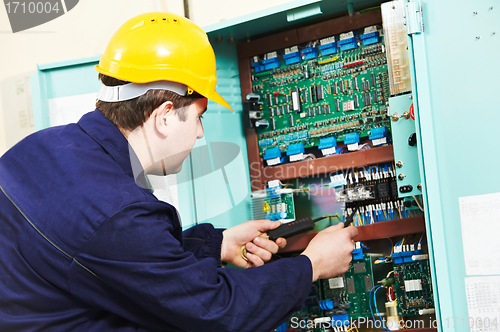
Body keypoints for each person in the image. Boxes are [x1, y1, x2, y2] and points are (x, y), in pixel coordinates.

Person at [0, 12, 358, 332]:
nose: (201, 133)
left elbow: (114, 259)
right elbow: (219, 312)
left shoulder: (39, 147)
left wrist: (215, 244)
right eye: (199, 117)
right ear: (165, 115)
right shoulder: (118, 212)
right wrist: (312, 265)